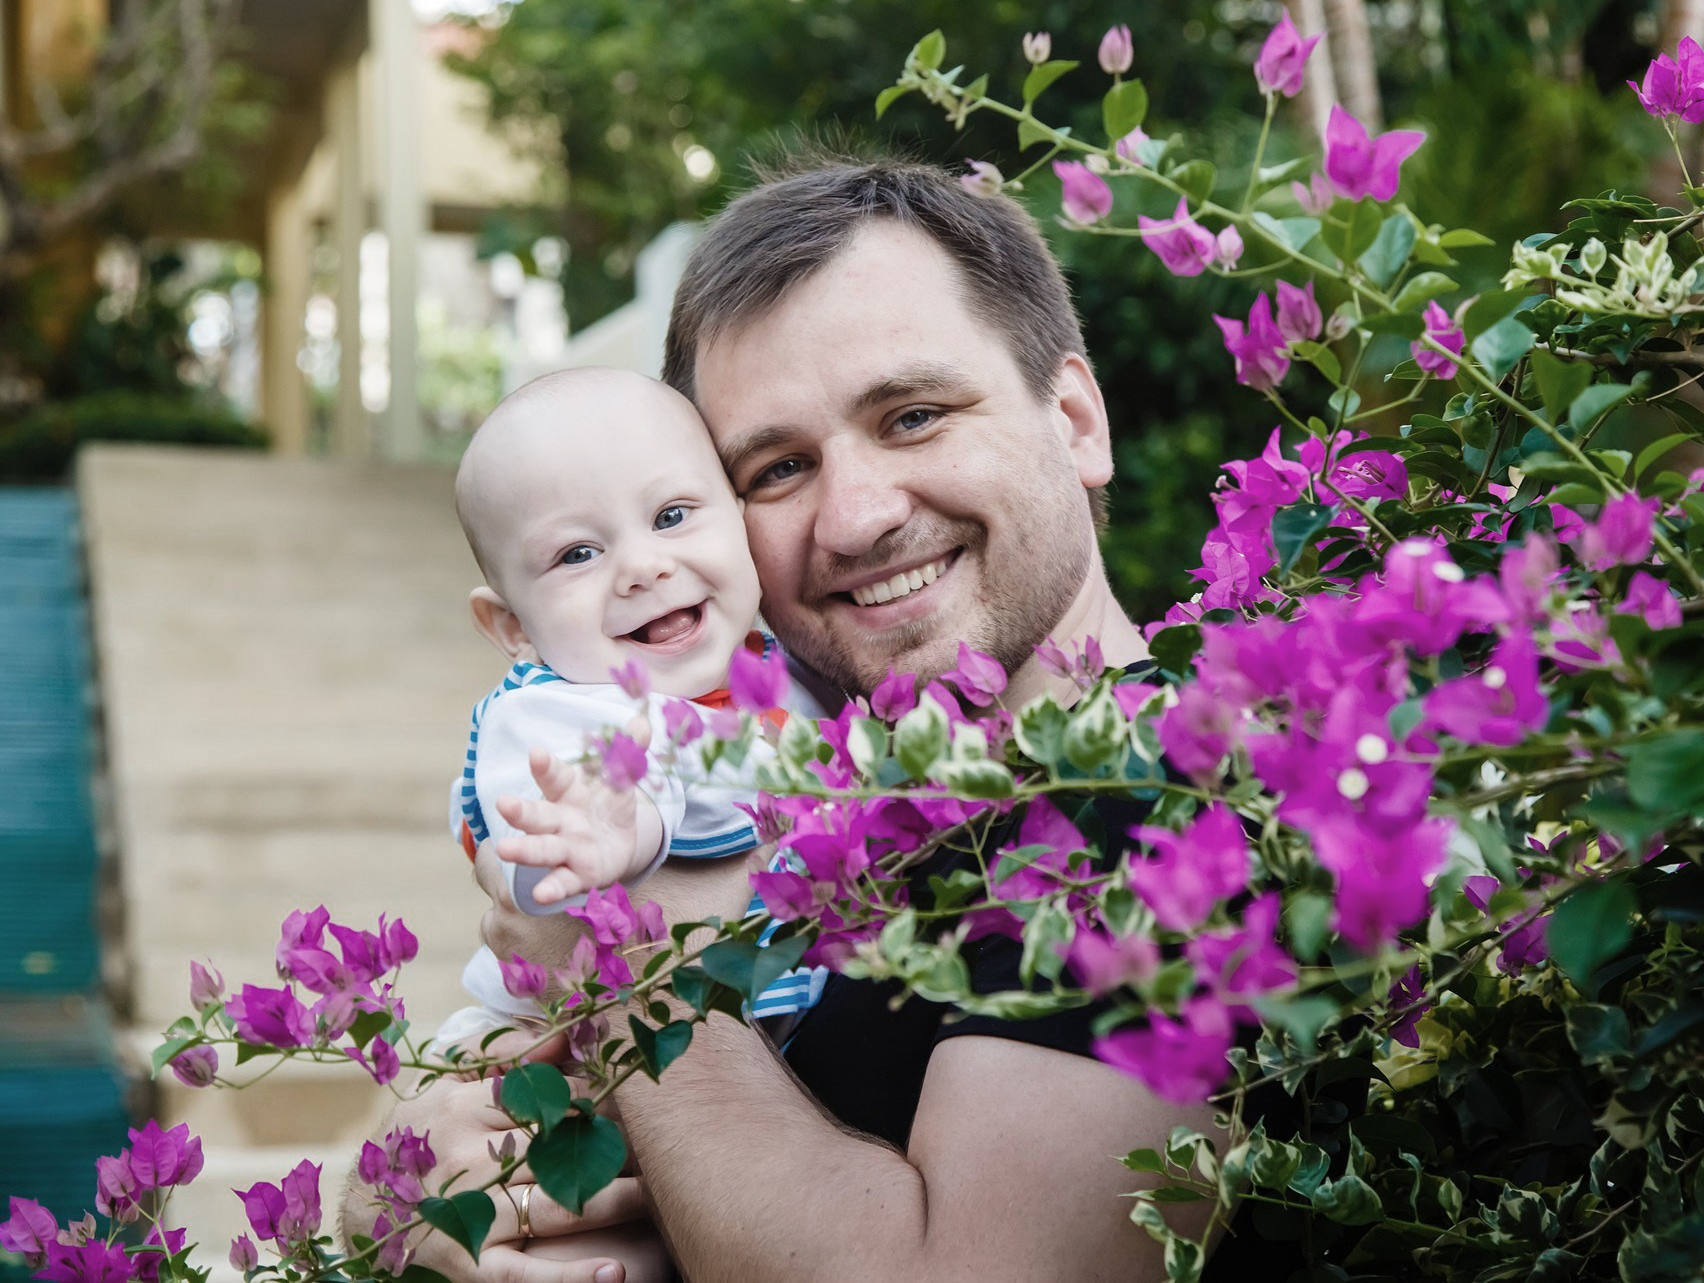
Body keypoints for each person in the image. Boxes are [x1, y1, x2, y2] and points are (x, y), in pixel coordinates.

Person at [344, 158, 1270, 1281]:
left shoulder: (1170, 807)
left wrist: (621, 969)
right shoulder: (816, 793)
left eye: (913, 415)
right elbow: (399, 1173)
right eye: (776, 468)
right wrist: (406, 1203)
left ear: (1073, 420)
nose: (856, 516)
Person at [437, 369, 824, 1058]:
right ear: (513, 626)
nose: (643, 566)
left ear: (741, 518)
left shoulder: (790, 670)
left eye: (671, 515)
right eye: (577, 554)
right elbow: (536, 857)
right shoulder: (546, 714)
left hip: (768, 1050)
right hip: (564, 1052)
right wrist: (621, 831)